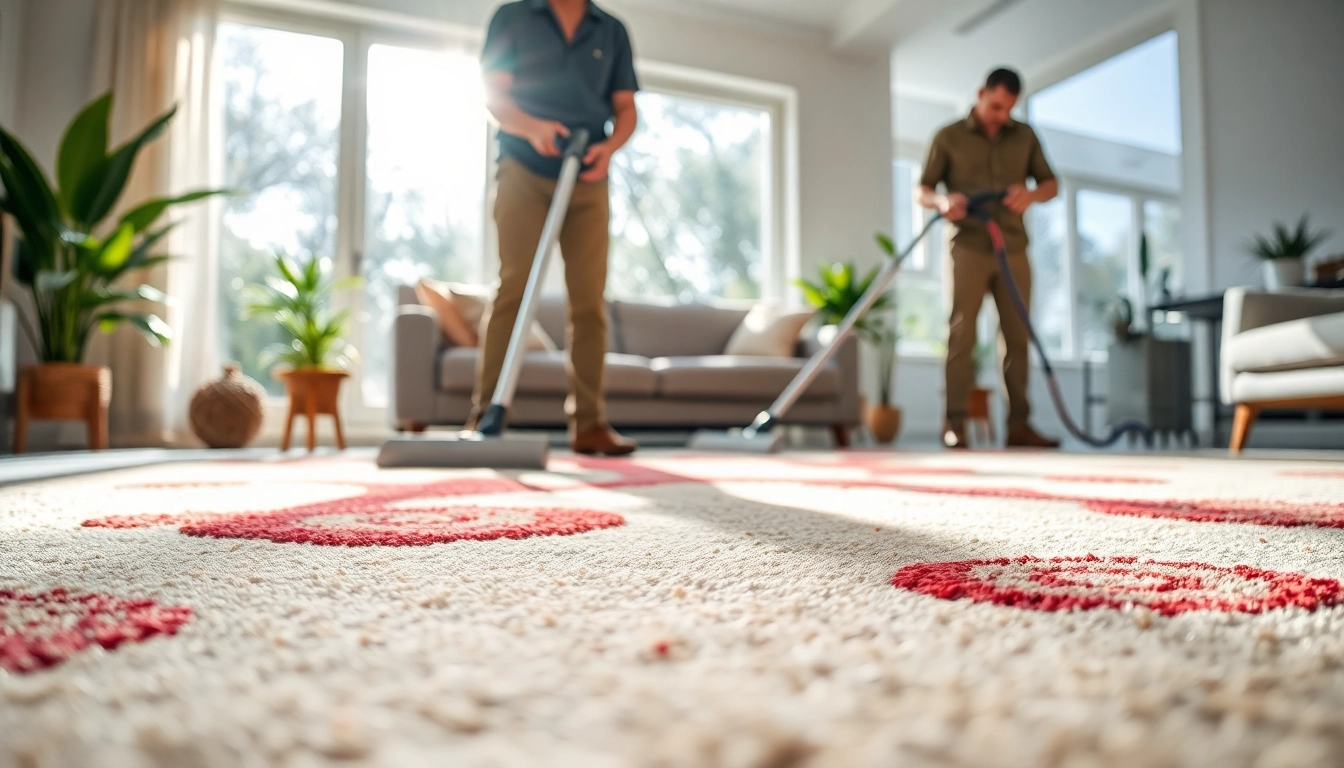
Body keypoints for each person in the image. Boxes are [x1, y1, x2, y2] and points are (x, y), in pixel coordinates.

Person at [474, 0, 640, 456]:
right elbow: (495, 96)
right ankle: (485, 414)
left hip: (588, 175)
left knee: (589, 302)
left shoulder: (610, 31)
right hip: (523, 166)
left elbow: (625, 109)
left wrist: (608, 148)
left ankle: (589, 424)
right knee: (515, 287)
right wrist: (533, 128)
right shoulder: (513, 17)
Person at [918, 67, 1061, 450]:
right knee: (961, 333)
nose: (1002, 115)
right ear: (981, 93)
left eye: (1008, 109)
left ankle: (1019, 426)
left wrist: (1029, 195)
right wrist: (943, 201)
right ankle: (956, 424)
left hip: (1012, 248)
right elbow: (924, 189)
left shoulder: (1025, 136)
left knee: (1017, 336)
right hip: (967, 245)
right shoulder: (948, 136)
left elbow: (1051, 184)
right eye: (996, 106)